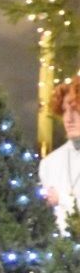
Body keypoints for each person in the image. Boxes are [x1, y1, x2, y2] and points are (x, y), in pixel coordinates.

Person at [40, 81, 80, 232]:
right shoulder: (49, 163)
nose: (69, 118)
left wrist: (61, 199)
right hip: (59, 250)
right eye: (64, 111)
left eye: (76, 110)